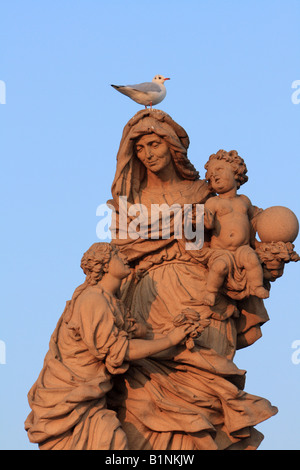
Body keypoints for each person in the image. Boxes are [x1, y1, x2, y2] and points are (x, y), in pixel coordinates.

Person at [108, 109, 278, 450]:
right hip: (147, 302)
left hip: (203, 298)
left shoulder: (205, 192)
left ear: (172, 146)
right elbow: (120, 255)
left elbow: (245, 237)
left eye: (154, 144)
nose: (148, 153)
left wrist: (271, 257)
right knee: (144, 397)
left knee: (205, 390)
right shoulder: (130, 203)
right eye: (140, 148)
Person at [25, 242, 194, 450]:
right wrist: (169, 340)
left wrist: (178, 332)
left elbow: (140, 334)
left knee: (113, 438)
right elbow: (119, 351)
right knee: (112, 440)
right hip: (68, 399)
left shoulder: (113, 302)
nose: (123, 257)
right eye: (115, 254)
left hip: (91, 398)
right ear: (104, 265)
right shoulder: (93, 301)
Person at [203, 149, 269, 306]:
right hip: (221, 251)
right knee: (219, 267)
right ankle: (211, 292)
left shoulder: (244, 201)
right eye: (211, 176)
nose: (215, 176)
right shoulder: (213, 202)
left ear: (236, 172)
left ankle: (257, 286)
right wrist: (208, 222)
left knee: (252, 259)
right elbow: (207, 224)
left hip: (242, 249)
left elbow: (253, 223)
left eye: (219, 170)